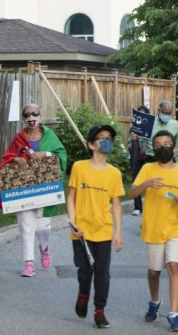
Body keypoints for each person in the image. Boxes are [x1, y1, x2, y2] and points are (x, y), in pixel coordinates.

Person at [0, 103, 67, 277]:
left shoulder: (50, 136)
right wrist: (16, 159)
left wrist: (45, 154)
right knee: (26, 225)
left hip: (45, 188)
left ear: (40, 115)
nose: (31, 118)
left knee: (43, 227)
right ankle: (28, 263)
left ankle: (44, 248)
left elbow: (61, 155)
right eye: (27, 115)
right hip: (23, 188)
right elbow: (7, 157)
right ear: (23, 119)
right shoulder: (19, 138)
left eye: (34, 114)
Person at [128, 130, 178, 332]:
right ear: (153, 149)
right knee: (154, 271)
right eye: (157, 145)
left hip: (176, 227)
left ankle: (174, 313)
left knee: (174, 266)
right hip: (154, 227)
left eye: (167, 144)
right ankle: (154, 300)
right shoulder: (148, 168)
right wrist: (147, 183)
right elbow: (132, 192)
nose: (162, 147)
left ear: (174, 148)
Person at [67, 124, 124, 328]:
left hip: (103, 230)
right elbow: (71, 197)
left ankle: (100, 310)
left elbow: (116, 203)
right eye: (101, 137)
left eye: (109, 138)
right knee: (85, 270)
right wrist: (73, 222)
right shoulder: (79, 167)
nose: (106, 141)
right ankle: (83, 293)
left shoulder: (114, 173)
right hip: (81, 230)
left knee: (102, 272)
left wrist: (118, 231)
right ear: (91, 144)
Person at [136, 101, 178, 165]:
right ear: (159, 111)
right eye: (165, 113)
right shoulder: (149, 122)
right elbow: (141, 142)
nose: (167, 115)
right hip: (151, 158)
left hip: (169, 159)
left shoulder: (175, 124)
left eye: (169, 113)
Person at [128, 105, 150, 215]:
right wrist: (131, 141)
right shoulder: (133, 128)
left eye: (143, 114)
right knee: (136, 181)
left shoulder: (151, 127)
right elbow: (129, 144)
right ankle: (137, 207)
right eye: (139, 114)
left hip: (148, 158)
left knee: (149, 182)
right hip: (136, 158)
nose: (141, 116)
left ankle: (150, 205)